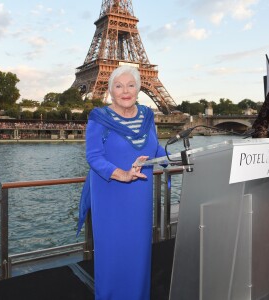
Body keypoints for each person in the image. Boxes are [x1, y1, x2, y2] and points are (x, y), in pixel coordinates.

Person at [78, 65, 167, 300]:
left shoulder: (148, 116)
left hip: (139, 194)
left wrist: (174, 158)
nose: (125, 91)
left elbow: (154, 148)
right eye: (118, 86)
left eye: (130, 85)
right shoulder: (99, 118)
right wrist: (122, 173)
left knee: (138, 253)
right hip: (110, 193)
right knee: (113, 254)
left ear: (138, 88)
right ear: (110, 90)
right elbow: (94, 156)